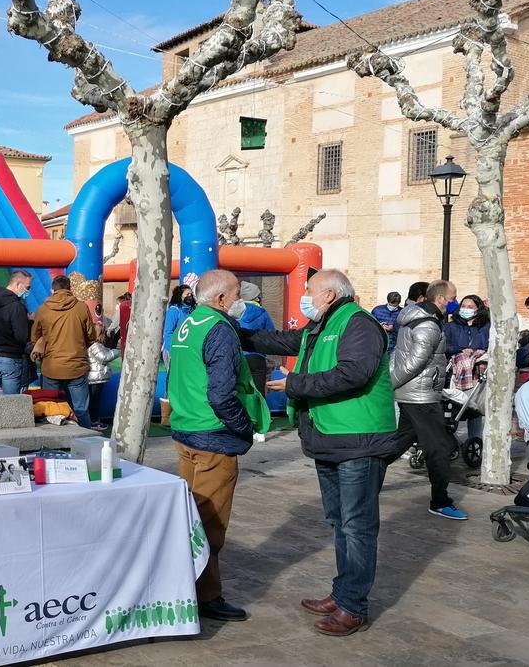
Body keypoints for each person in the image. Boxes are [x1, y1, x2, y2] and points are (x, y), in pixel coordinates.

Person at [240, 270, 397, 636]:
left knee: (357, 525)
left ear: (329, 295)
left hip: (358, 439)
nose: (305, 296)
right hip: (330, 436)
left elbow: (353, 373)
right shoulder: (323, 323)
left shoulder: (359, 324)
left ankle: (353, 606)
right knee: (340, 521)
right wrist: (237, 331)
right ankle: (343, 593)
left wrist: (294, 384)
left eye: (309, 290)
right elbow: (285, 340)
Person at [169, 270, 271, 623]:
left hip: (186, 427)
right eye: (238, 293)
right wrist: (243, 428)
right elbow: (221, 393)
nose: (242, 300)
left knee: (191, 515)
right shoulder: (218, 328)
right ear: (222, 298)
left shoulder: (190, 322)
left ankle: (187, 584)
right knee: (209, 522)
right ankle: (205, 595)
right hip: (212, 434)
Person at [392, 280, 467, 521]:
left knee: (398, 442)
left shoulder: (415, 318)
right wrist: (390, 384)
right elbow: (413, 363)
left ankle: (364, 479)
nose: (455, 302)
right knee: (439, 449)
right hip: (421, 396)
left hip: (415, 393)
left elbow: (398, 355)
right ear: (441, 299)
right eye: (453, 298)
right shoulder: (429, 325)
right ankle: (441, 502)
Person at [32, 275, 98, 428]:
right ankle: (86, 438)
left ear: (53, 290)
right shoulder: (81, 307)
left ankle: (54, 439)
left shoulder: (43, 309)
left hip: (51, 367)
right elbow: (91, 336)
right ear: (70, 288)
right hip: (77, 365)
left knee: (51, 408)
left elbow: (35, 337)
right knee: (81, 409)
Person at [445, 294, 490, 440]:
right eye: (463, 306)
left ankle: (475, 440)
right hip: (456, 374)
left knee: (475, 408)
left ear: (478, 309)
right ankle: (450, 440)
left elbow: (490, 345)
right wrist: (460, 350)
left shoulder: (485, 327)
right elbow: (445, 346)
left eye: (470, 307)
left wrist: (480, 351)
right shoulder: (451, 326)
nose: (466, 309)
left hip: (478, 374)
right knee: (455, 408)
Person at [0, 270, 33, 396]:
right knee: (11, 401)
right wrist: (29, 323)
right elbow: (21, 336)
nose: (28, 291)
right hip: (10, 357)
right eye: (27, 287)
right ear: (18, 284)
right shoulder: (17, 306)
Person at [236, 281, 275, 395]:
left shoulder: (234, 312)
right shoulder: (262, 312)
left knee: (240, 391)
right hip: (257, 357)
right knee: (258, 391)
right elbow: (271, 333)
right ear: (256, 298)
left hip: (238, 356)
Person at [87, 341, 120, 428]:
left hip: (92, 376)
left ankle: (91, 419)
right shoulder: (95, 345)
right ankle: (93, 421)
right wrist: (118, 351)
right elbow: (104, 357)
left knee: (92, 400)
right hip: (95, 378)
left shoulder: (90, 345)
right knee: (94, 400)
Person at [161, 284, 196, 365]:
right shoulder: (174, 310)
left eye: (191, 294)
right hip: (173, 350)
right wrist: (171, 350)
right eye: (187, 294)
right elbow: (168, 332)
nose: (190, 296)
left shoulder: (191, 311)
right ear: (180, 296)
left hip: (186, 350)